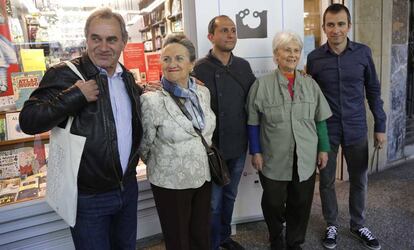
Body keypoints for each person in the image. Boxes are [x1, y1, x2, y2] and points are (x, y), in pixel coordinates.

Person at [19, 8, 143, 250]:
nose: (103, 47)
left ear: (124, 42)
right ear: (86, 40)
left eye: (111, 39)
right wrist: (74, 95)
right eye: (96, 38)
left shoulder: (126, 77)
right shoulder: (64, 74)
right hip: (89, 197)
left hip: (127, 189)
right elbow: (29, 121)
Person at [306, 4, 386, 250]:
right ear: (324, 27)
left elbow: (373, 91)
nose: (336, 30)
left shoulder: (362, 53)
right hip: (327, 130)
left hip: (355, 126)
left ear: (349, 26)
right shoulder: (314, 58)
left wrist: (380, 125)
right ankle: (331, 223)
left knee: (359, 178)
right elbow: (311, 97)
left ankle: (357, 223)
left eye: (341, 24)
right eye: (331, 24)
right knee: (327, 179)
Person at [246, 31, 332, 250]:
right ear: (276, 55)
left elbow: (320, 120)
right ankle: (276, 237)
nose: (292, 55)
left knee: (301, 202)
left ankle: (294, 242)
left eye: (296, 51)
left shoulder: (310, 84)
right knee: (273, 202)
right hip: (274, 156)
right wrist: (256, 151)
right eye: (287, 50)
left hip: (304, 155)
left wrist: (323, 149)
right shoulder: (261, 85)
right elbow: (253, 121)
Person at [139, 34, 216, 250]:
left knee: (201, 234)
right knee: (178, 239)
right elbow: (145, 146)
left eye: (179, 58)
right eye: (166, 59)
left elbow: (206, 131)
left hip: (202, 175)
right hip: (170, 181)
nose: (172, 64)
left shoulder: (203, 92)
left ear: (192, 63)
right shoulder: (151, 100)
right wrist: (168, 160)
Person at [192, 15, 256, 250]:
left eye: (233, 30)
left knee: (230, 196)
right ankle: (211, 243)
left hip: (238, 145)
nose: (230, 35)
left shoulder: (243, 66)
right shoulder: (198, 68)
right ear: (211, 36)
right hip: (212, 149)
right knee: (213, 203)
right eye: (224, 31)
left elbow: (254, 100)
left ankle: (224, 237)